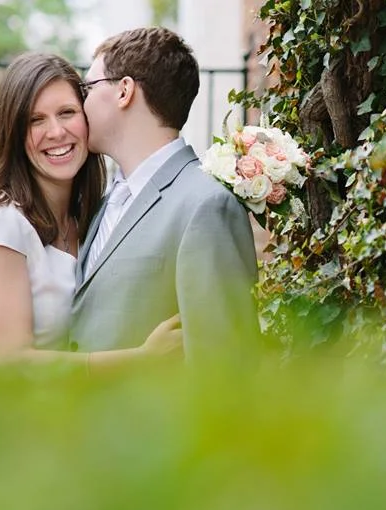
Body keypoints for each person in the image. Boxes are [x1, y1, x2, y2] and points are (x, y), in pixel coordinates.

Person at [0, 52, 181, 368]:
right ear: (13, 133)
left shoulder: (91, 221)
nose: (56, 132)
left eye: (67, 113)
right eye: (35, 120)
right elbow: (7, 365)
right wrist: (141, 359)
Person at [70, 27, 258, 364]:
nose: (81, 103)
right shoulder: (106, 199)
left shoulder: (207, 204)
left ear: (124, 91)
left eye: (88, 88)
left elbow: (224, 366)